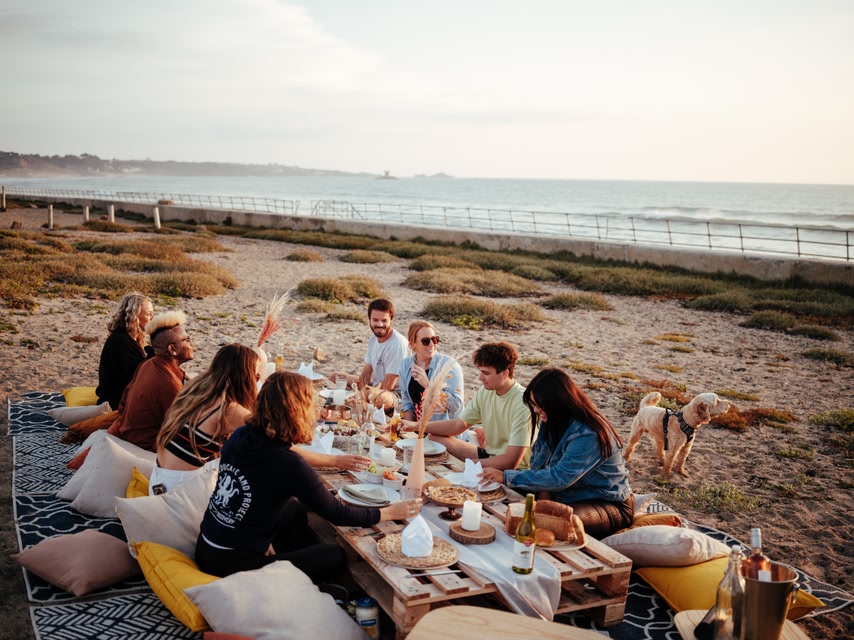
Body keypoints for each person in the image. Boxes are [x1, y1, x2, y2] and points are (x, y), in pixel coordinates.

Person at [195, 371, 421, 583]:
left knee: (293, 509)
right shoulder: (289, 463)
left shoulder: (241, 435)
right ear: (297, 410)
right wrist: (389, 512)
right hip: (234, 565)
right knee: (334, 555)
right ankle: (294, 579)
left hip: (207, 547)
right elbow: (337, 513)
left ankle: (286, 560)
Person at [480, 367, 633, 538]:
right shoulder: (552, 420)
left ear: (558, 403)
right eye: (533, 405)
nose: (536, 410)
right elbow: (540, 468)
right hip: (561, 494)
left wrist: (506, 476)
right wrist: (540, 502)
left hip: (605, 504)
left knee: (548, 523)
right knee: (499, 502)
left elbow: (559, 478)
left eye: (539, 405)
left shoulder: (588, 434)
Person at [403, 341, 532, 470]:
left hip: (513, 469)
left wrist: (468, 465)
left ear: (505, 373)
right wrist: (416, 425)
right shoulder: (486, 391)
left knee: (456, 464)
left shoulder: (522, 403)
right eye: (480, 372)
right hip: (489, 454)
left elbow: (511, 462)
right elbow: (457, 426)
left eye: (486, 373)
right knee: (434, 438)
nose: (480, 378)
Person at [106, 310, 193, 451]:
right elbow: (182, 429)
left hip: (131, 434)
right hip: (148, 445)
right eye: (186, 340)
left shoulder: (148, 364)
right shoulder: (168, 384)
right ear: (172, 349)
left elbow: (123, 402)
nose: (191, 344)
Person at [329, 298, 411, 397]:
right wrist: (359, 387)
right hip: (375, 386)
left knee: (373, 396)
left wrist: (360, 394)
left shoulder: (397, 344)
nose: (380, 325)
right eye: (375, 320)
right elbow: (366, 376)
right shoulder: (373, 338)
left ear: (391, 320)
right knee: (334, 377)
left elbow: (387, 387)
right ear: (369, 320)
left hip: (395, 394)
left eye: (384, 320)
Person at [95, 292, 155, 410]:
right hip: (116, 403)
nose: (153, 318)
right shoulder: (121, 342)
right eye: (148, 314)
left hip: (124, 397)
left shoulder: (131, 339)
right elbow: (140, 377)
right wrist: (154, 349)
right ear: (134, 317)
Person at [398, 320, 464, 423]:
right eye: (426, 341)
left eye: (434, 339)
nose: (432, 344)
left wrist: (429, 386)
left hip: (443, 431)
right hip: (418, 428)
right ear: (412, 344)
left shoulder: (449, 366)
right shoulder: (405, 365)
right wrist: (409, 427)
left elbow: (456, 405)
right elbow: (406, 402)